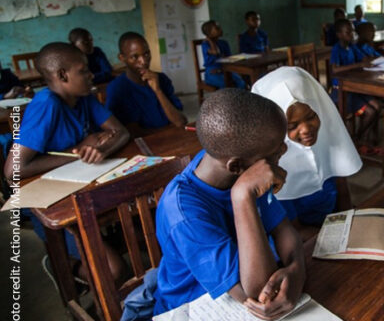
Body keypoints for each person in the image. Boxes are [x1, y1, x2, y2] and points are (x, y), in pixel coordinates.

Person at [153, 89, 305, 319]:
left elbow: (285, 230)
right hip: (193, 308)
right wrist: (242, 195)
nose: (283, 152)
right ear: (236, 167)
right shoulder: (183, 213)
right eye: (276, 151)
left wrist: (296, 269)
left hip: (242, 289)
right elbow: (256, 291)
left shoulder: (243, 163)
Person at [3, 42, 129, 285]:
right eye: (83, 70)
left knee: (134, 225)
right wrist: (82, 149)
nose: (91, 74)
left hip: (78, 187)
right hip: (46, 202)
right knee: (113, 271)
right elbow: (12, 170)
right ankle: (64, 267)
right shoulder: (47, 104)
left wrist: (100, 149)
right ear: (62, 75)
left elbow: (121, 133)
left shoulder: (84, 97)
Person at [252, 67, 362, 238]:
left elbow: (343, 192)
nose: (306, 130)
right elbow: (293, 230)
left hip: (333, 225)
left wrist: (347, 223)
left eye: (311, 117)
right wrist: (336, 235)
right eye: (292, 126)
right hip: (303, 238)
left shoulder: (326, 141)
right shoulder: (274, 169)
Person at [106, 32, 187, 134]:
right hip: (146, 143)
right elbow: (131, 132)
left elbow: (180, 122)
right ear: (122, 58)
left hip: (171, 136)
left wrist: (158, 91)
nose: (143, 61)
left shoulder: (162, 79)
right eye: (134, 57)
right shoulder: (117, 88)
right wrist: (166, 131)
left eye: (146, 54)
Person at [330, 19, 381, 152]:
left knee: (377, 106)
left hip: (354, 88)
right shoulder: (337, 49)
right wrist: (358, 65)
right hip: (341, 92)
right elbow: (334, 70)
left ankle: (361, 139)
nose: (351, 34)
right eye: (348, 32)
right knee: (370, 111)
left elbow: (363, 59)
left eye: (352, 31)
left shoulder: (352, 47)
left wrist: (368, 60)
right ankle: (356, 139)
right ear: (339, 35)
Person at [200, 20, 246, 89]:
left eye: (220, 27)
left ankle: (239, 99)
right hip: (212, 73)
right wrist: (210, 40)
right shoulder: (205, 44)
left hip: (225, 70)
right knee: (226, 84)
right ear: (209, 33)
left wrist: (223, 69)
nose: (221, 29)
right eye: (217, 28)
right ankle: (226, 99)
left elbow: (229, 59)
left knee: (241, 83)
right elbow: (215, 51)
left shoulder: (224, 43)